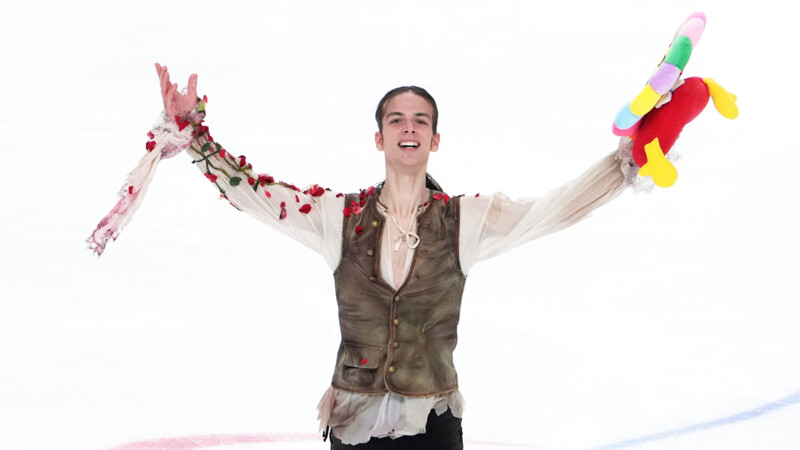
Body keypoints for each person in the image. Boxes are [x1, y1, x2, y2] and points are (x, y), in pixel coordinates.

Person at [96, 63, 634, 449]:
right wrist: (196, 138)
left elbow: (552, 210)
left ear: (435, 140)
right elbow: (258, 195)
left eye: (420, 120)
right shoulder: (339, 217)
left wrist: (623, 164)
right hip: (354, 423)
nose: (408, 128)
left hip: (433, 425)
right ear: (379, 138)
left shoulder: (464, 221)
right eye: (396, 120)